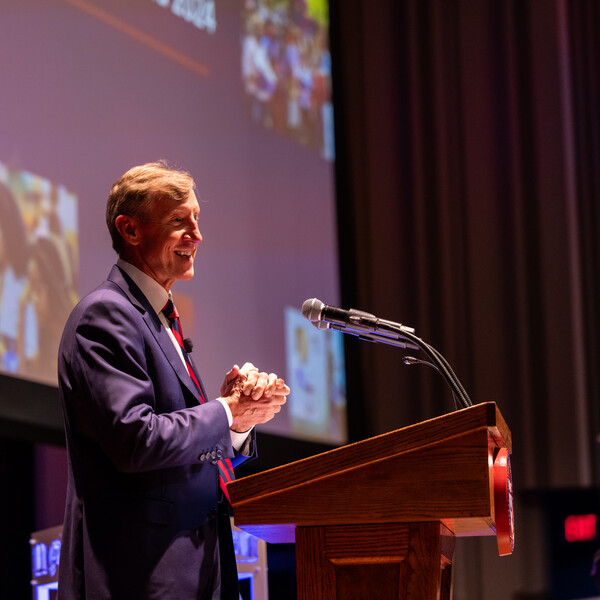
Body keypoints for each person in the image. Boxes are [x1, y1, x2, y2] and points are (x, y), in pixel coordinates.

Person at [57, 161, 290, 599]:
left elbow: (179, 454)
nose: (196, 236)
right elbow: (135, 440)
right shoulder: (106, 315)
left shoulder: (161, 319)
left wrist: (238, 425)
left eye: (197, 221)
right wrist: (224, 412)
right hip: (142, 577)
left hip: (198, 572)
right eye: (179, 222)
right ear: (130, 230)